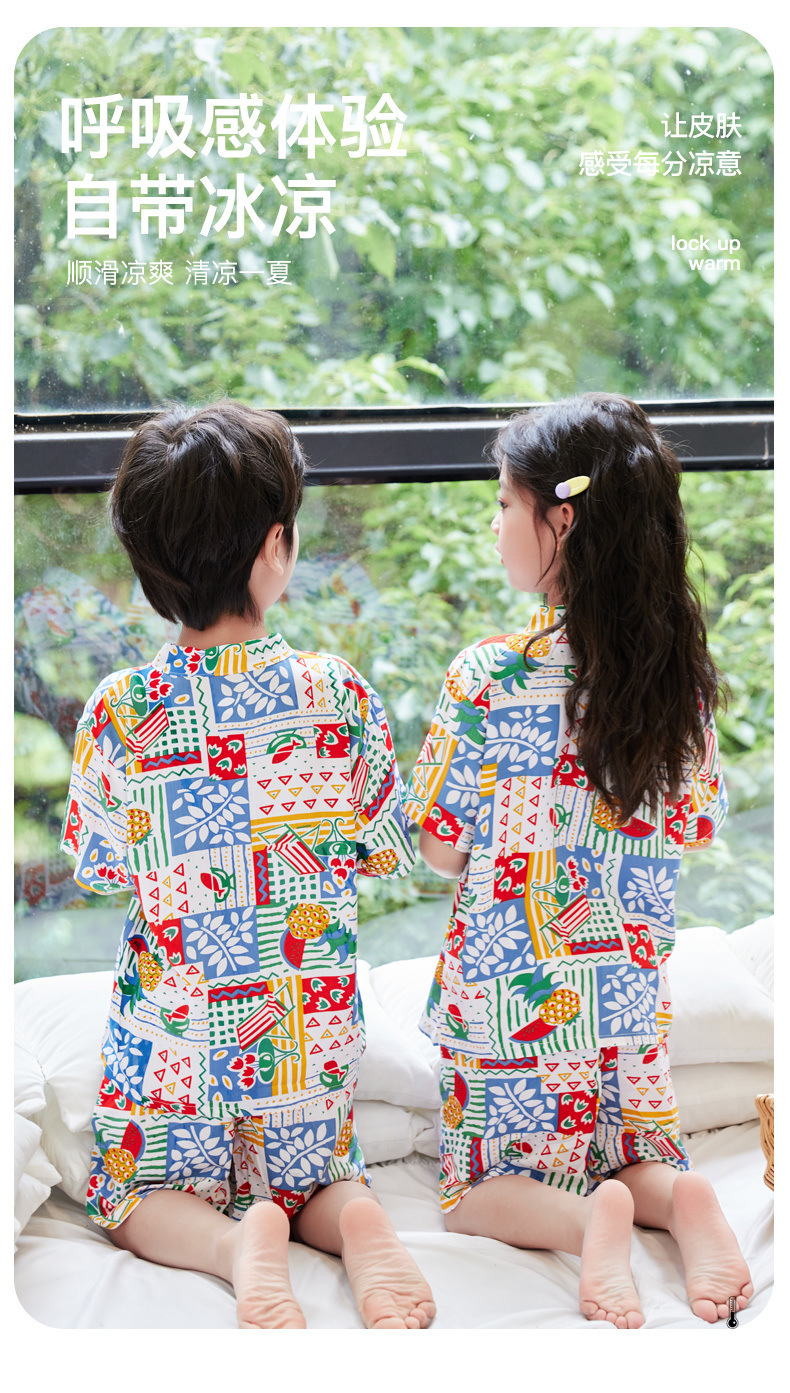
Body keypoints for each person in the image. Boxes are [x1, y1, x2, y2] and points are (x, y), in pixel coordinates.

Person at [60, 401, 435, 1331]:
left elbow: (103, 867)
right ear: (277, 547)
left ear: (148, 565)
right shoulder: (338, 694)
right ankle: (354, 1220)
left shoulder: (118, 710)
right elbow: (387, 846)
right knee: (320, 1173)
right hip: (306, 1030)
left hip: (179, 1043)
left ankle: (234, 1247)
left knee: (133, 1195)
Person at [403, 392, 753, 1329]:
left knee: (472, 1189)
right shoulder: (676, 681)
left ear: (561, 520)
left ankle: (587, 1219)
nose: (494, 524)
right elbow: (697, 824)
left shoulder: (489, 675)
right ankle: (678, 1197)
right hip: (626, 1005)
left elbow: (437, 845)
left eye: (503, 504)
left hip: (508, 1004)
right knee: (634, 1150)